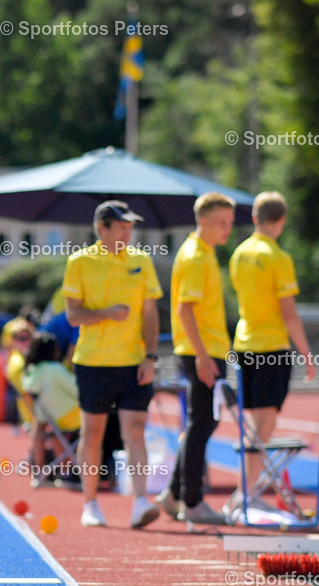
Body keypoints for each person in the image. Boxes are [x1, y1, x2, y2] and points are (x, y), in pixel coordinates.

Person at [62, 201, 163, 528]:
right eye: (122, 227)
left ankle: (140, 502)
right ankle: (90, 504)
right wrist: (107, 313)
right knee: (93, 434)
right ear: (102, 228)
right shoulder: (79, 262)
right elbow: (73, 316)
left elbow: (150, 313)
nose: (128, 233)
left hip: (134, 362)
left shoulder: (141, 260)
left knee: (135, 431)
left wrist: (150, 356)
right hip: (93, 363)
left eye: (130, 227)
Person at [229, 191, 316, 514]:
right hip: (270, 347)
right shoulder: (278, 257)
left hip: (243, 345)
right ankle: (246, 492)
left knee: (254, 425)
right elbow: (288, 313)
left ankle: (248, 489)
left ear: (255, 218)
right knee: (264, 426)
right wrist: (307, 356)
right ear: (281, 221)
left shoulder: (238, 253)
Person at [154, 193, 234, 525]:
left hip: (207, 348)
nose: (227, 228)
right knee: (202, 424)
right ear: (202, 219)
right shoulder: (195, 257)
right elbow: (183, 310)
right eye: (221, 222)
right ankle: (192, 501)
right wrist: (202, 356)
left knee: (201, 423)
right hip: (200, 350)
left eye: (230, 222)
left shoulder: (205, 253)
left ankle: (174, 494)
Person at [21, 332, 81, 486]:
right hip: (72, 417)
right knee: (103, 417)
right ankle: (71, 471)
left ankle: (40, 471)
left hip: (52, 418)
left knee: (41, 429)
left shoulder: (31, 372)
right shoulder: (54, 369)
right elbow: (77, 390)